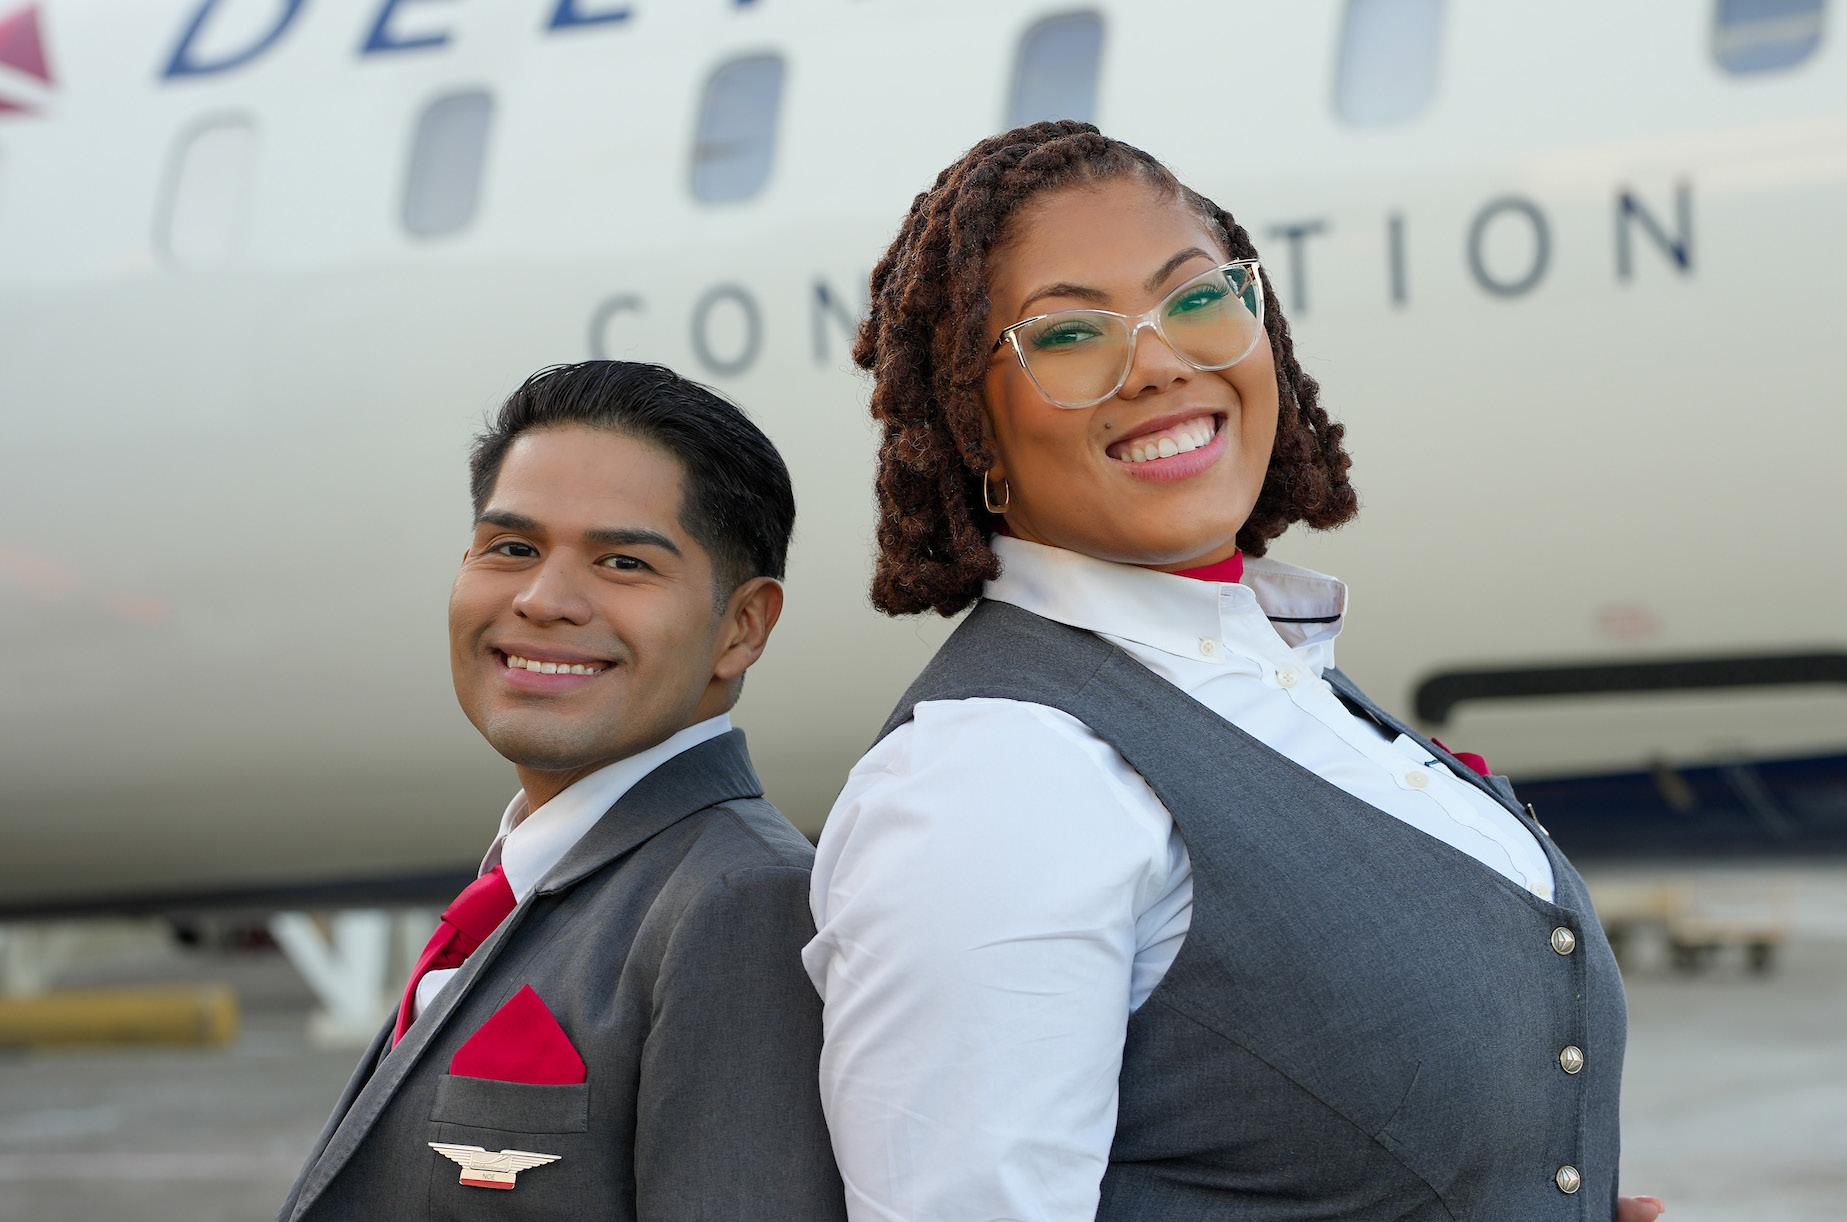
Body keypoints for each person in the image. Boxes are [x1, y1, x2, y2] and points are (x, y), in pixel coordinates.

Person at [804, 122, 1666, 1222]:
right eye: (1067, 332)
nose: (1161, 362)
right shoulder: (996, 775)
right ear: (973, 425)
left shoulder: (1274, 674)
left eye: (1198, 297)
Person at [279, 361, 846, 1221]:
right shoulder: (535, 880)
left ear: (742, 626)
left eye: (622, 562)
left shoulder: (737, 902)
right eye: (512, 549)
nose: (543, 601)